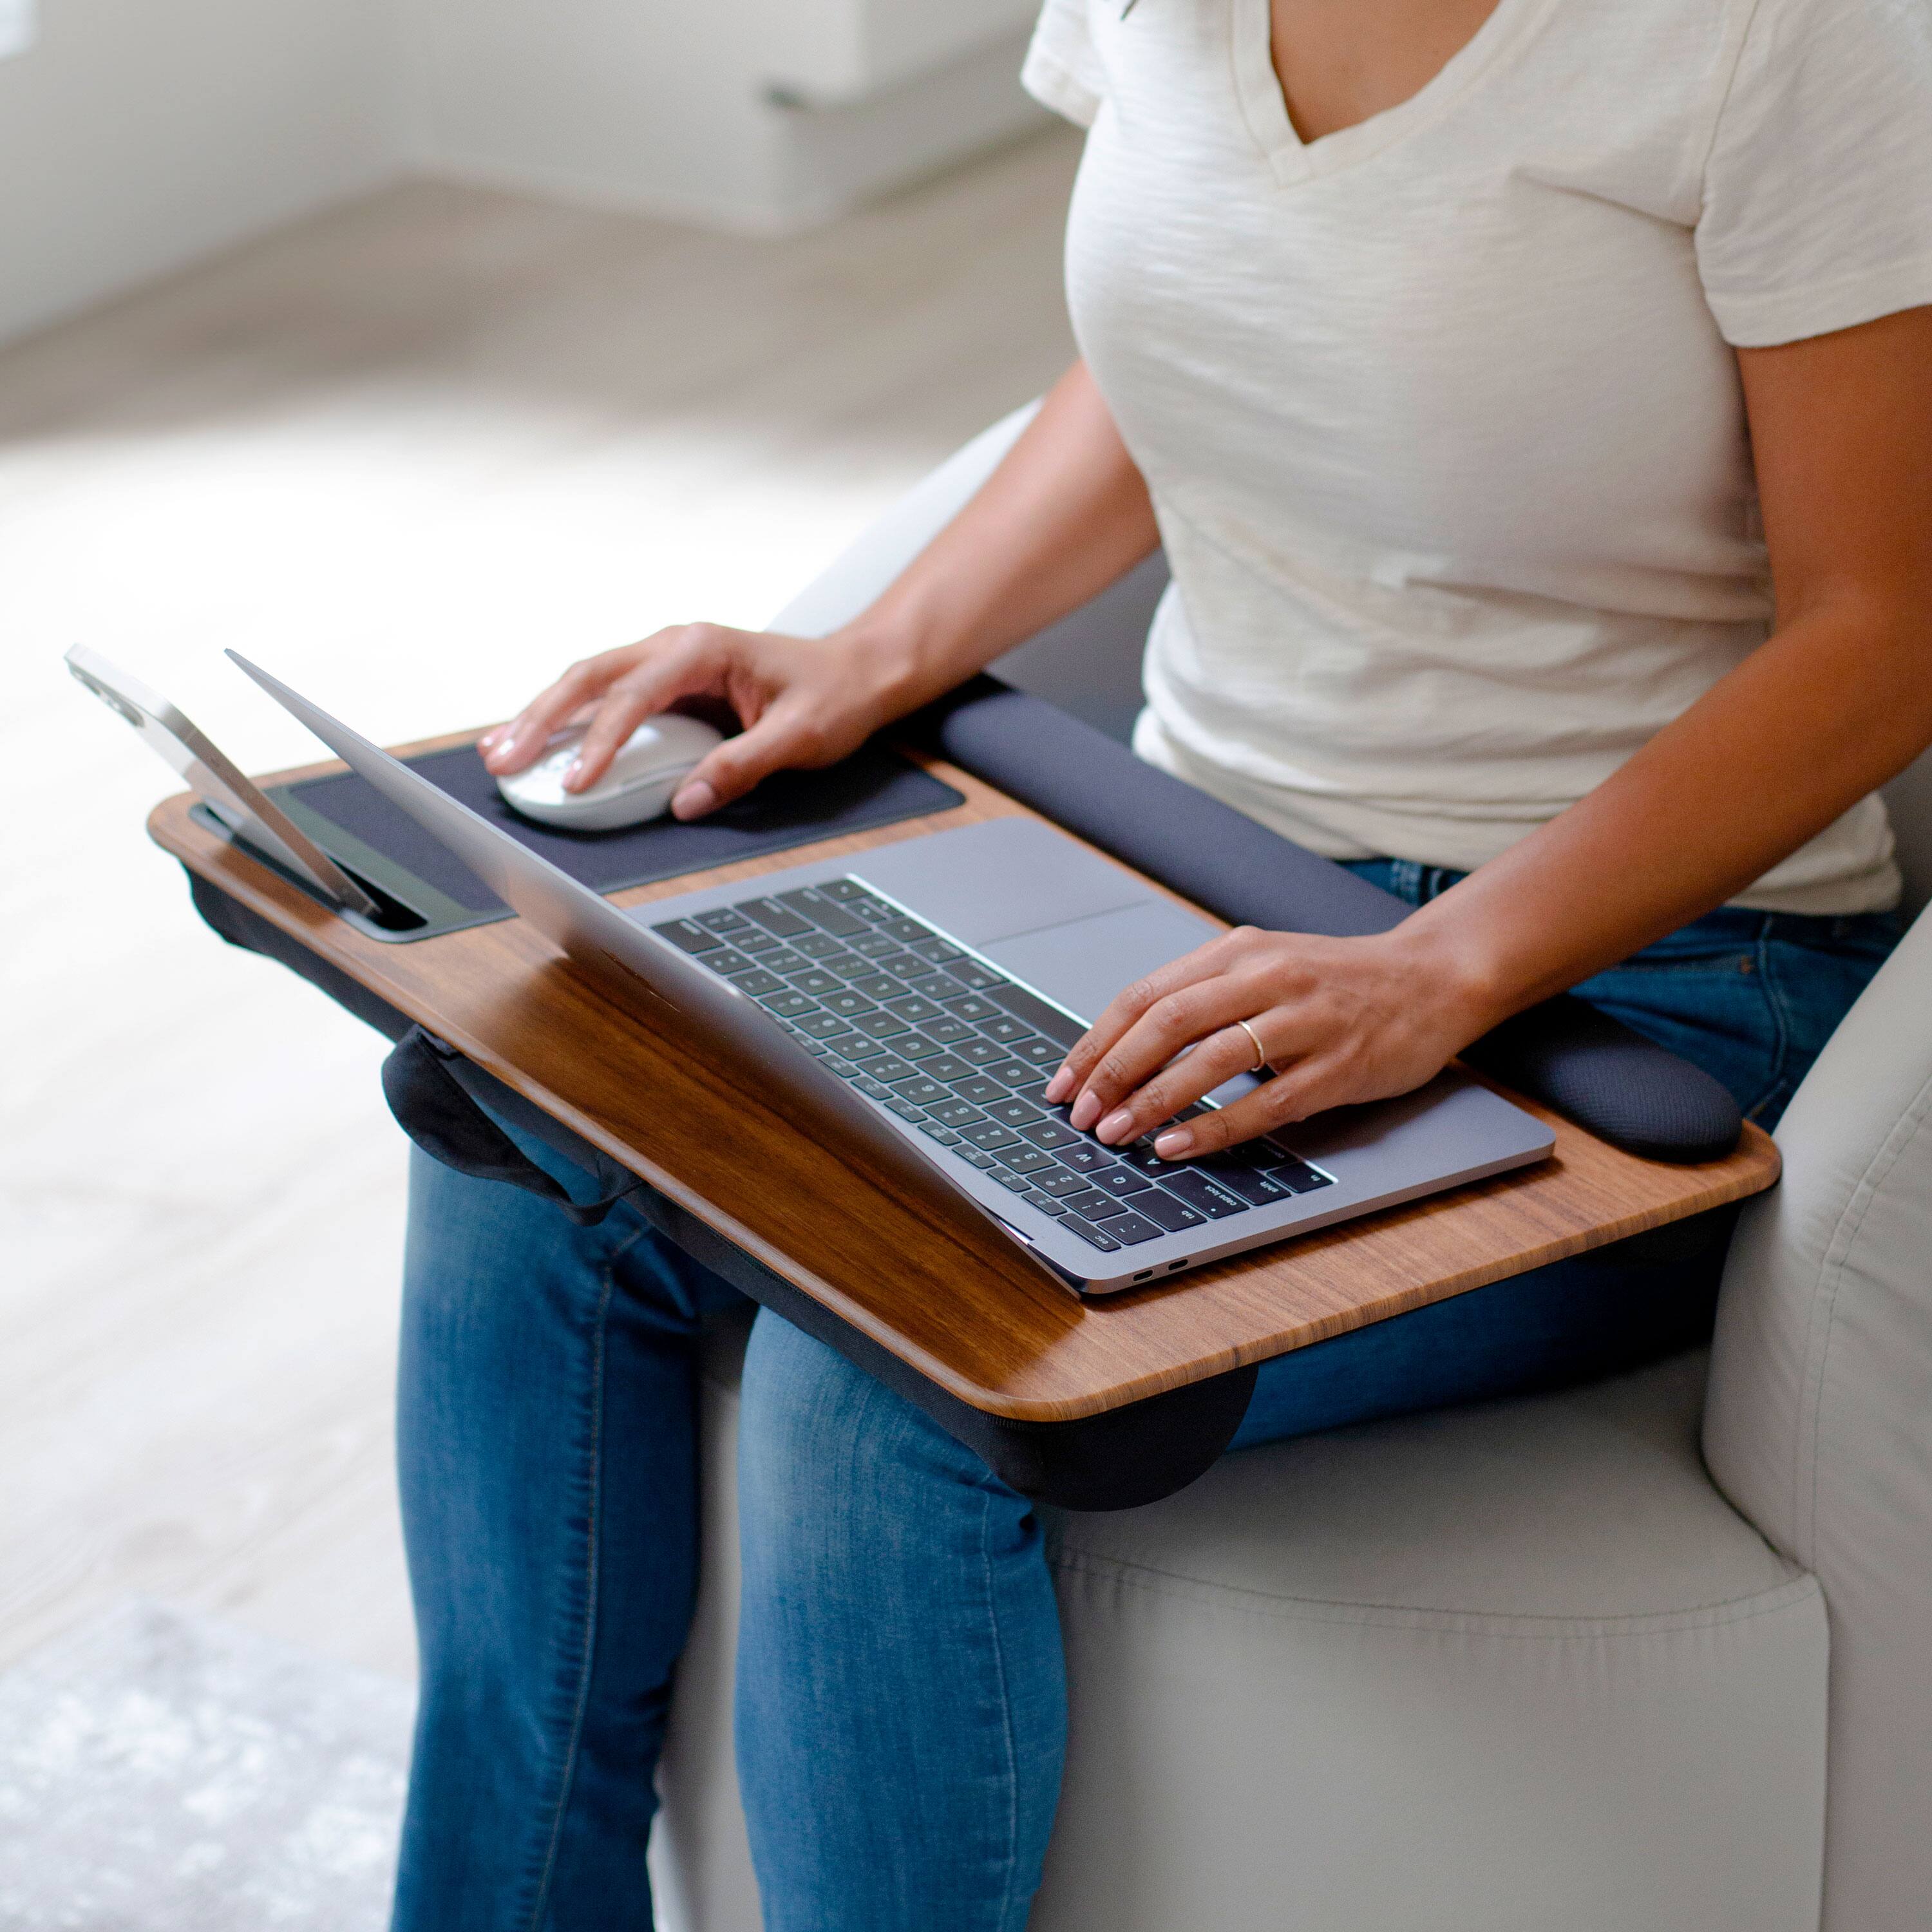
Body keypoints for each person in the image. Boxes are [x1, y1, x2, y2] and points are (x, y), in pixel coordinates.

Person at [390, 0, 1932, 1926]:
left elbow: (1886, 630)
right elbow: (1183, 351)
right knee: (525, 1135)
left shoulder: (1780, 37)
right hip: (1187, 876)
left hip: (1639, 975)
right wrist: (882, 643)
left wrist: (1445, 970)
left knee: (891, 1380)